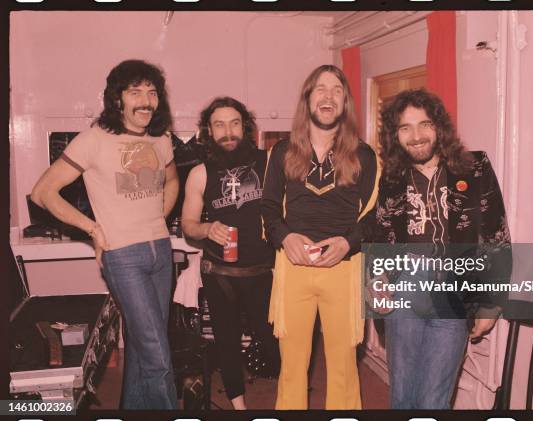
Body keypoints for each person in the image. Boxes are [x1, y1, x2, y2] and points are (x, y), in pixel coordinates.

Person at [31, 59, 179, 409]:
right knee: (158, 354)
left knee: (144, 349)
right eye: (135, 92)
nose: (146, 101)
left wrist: (159, 215)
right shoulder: (93, 140)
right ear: (117, 100)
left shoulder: (161, 139)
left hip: (161, 249)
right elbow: (43, 192)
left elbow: (172, 181)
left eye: (152, 92)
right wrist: (92, 229)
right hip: (123, 256)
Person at [368, 88, 511, 409]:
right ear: (395, 136)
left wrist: (491, 303)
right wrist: (376, 284)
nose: (416, 136)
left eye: (424, 124)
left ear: (439, 127)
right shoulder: (391, 178)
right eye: (405, 128)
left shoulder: (475, 169)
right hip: (406, 285)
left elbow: (496, 235)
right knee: (402, 396)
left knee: (434, 400)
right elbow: (380, 238)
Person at [261, 64, 379, 409]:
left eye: (337, 90)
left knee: (343, 366)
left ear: (345, 103)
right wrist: (284, 237)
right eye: (320, 89)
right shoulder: (281, 152)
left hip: (344, 269)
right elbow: (268, 207)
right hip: (293, 268)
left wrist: (347, 242)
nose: (328, 96)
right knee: (292, 366)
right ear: (308, 99)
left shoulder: (365, 155)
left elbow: (374, 215)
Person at [181, 97, 279, 410]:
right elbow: (188, 224)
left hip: (264, 271)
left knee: (274, 339)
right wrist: (207, 229)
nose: (228, 131)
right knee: (226, 342)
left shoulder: (269, 163)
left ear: (245, 126)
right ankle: (238, 407)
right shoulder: (200, 173)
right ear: (209, 131)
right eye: (219, 124)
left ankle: (287, 395)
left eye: (234, 123)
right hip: (219, 273)